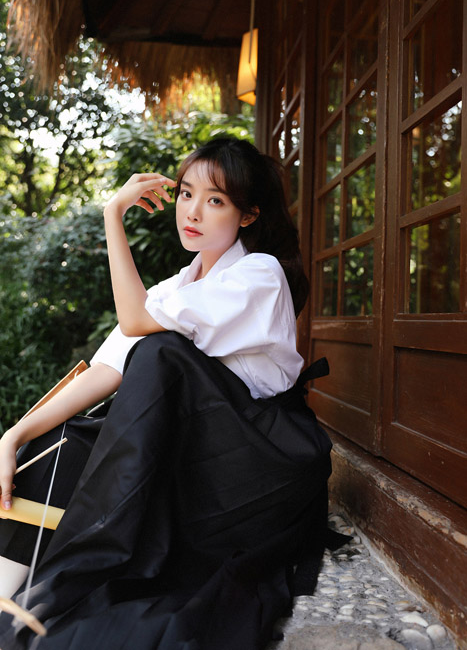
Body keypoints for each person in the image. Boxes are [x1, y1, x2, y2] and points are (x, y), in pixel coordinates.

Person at [0, 137, 334, 649]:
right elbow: (105, 371)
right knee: (63, 441)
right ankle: (13, 603)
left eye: (215, 200)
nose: (192, 211)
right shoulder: (176, 287)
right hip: (202, 446)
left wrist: (113, 215)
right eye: (185, 194)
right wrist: (13, 436)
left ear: (247, 216)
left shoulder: (259, 274)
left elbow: (136, 326)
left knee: (161, 353)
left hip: (262, 460)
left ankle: (80, 573)